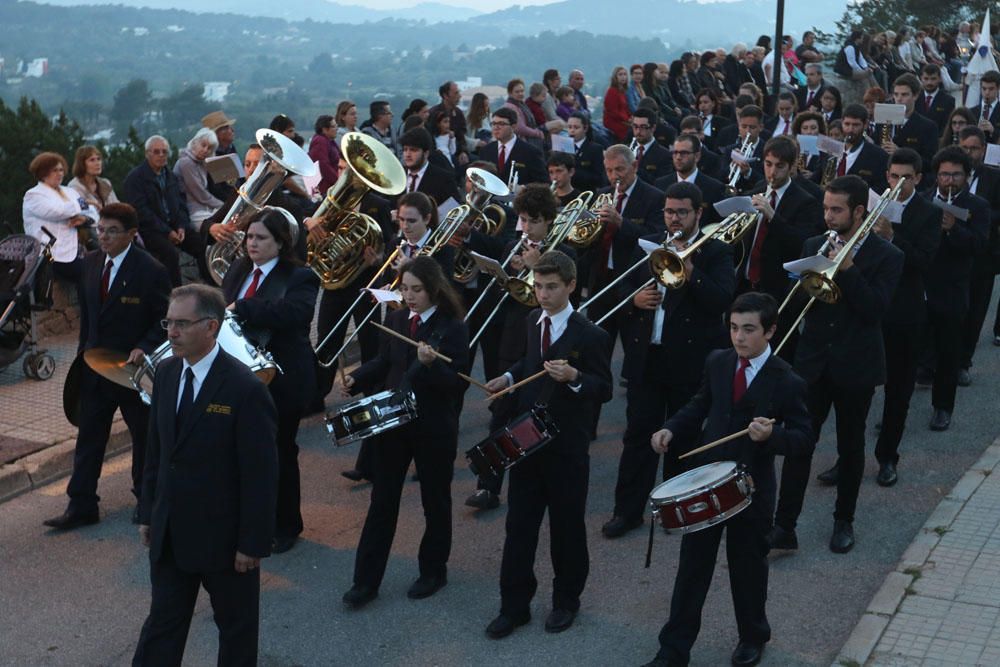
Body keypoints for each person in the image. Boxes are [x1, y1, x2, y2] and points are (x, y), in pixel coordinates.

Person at [643, 291, 813, 667]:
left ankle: (753, 636)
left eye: (749, 330)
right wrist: (670, 428)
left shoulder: (787, 380)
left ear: (770, 331)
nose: (739, 338)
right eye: (734, 328)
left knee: (748, 568)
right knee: (692, 570)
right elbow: (700, 403)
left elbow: (803, 439)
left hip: (751, 490)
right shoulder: (718, 362)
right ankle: (674, 650)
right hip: (705, 482)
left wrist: (773, 437)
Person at [133, 283, 278, 666]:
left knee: (236, 634)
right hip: (171, 535)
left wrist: (252, 542)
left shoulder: (245, 389)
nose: (171, 333)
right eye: (168, 322)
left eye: (182, 324)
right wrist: (148, 512)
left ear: (212, 327)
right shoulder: (164, 374)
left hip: (226, 543)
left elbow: (260, 474)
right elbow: (156, 452)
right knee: (161, 629)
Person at [771, 175, 904, 554]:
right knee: (799, 445)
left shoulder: (887, 255)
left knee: (850, 446)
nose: (827, 216)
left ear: (859, 211)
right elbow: (797, 305)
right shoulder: (814, 244)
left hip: (856, 364)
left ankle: (844, 521)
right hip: (812, 362)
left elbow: (875, 309)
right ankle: (784, 526)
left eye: (836, 209)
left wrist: (848, 270)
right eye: (825, 207)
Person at [483, 250, 612, 638]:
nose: (542, 294)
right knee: (519, 527)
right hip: (526, 442)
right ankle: (514, 605)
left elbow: (603, 389)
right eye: (538, 286)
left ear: (571, 286)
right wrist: (507, 378)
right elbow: (527, 364)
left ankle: (565, 601)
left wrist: (574, 376)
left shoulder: (591, 334)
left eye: (551, 287)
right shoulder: (529, 320)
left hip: (566, 449)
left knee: (566, 529)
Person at [604, 182, 735, 539]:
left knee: (682, 438)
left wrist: (691, 272)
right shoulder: (649, 246)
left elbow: (722, 299)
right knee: (638, 438)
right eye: (668, 211)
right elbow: (619, 288)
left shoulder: (716, 252)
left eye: (681, 212)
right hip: (648, 357)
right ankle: (627, 511)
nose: (674, 218)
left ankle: (677, 509)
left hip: (689, 360)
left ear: (698, 213)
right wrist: (634, 301)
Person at [336, 257, 469, 608]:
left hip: (433, 426)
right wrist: (357, 377)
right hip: (394, 422)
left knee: (434, 500)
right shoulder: (395, 319)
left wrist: (429, 366)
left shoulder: (452, 327)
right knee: (382, 501)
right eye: (404, 288)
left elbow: (455, 384)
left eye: (417, 290)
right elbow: (385, 362)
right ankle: (365, 582)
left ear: (434, 289)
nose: (409, 296)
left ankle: (433, 571)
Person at [43, 202, 170, 531]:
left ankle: (146, 501)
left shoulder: (151, 270)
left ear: (131, 234)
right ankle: (81, 504)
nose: (104, 236)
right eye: (100, 229)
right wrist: (83, 354)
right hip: (94, 368)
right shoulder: (91, 261)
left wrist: (143, 347)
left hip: (131, 371)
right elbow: (88, 315)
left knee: (144, 438)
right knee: (89, 436)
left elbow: (165, 320)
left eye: (112, 231)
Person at [466, 185, 575, 511]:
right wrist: (503, 272)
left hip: (549, 340)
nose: (526, 227)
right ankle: (488, 486)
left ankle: (545, 483)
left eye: (533, 221)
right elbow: (505, 292)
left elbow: (569, 290)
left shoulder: (564, 251)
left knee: (542, 413)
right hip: (513, 337)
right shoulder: (514, 244)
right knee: (501, 411)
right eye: (523, 220)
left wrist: (537, 263)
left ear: (548, 221)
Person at [221, 209, 318, 554]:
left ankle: (286, 524)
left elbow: (295, 314)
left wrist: (245, 307)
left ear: (280, 242)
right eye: (249, 237)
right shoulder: (238, 269)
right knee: (241, 452)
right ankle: (249, 520)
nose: (252, 244)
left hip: (283, 378)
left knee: (280, 452)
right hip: (242, 376)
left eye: (261, 238)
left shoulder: (300, 276)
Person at [866, 149, 941, 487]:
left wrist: (892, 237)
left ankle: (887, 458)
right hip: (871, 306)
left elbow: (924, 262)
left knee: (898, 391)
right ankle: (848, 459)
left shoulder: (929, 212)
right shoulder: (874, 202)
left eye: (906, 177)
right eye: (894, 176)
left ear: (919, 178)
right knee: (858, 389)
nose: (898, 183)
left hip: (906, 311)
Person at [923, 147, 990, 431]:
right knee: (909, 352)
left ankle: (942, 407)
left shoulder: (977, 206)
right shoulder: (924, 200)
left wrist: (953, 228)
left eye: (956, 175)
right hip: (920, 288)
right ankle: (895, 411)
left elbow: (979, 246)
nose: (949, 181)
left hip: (952, 289)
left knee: (949, 354)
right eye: (944, 175)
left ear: (966, 176)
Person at [582, 144, 665, 346]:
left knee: (632, 345)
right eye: (609, 170)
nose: (614, 176)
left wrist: (620, 223)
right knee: (595, 347)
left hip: (631, 281)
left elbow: (654, 238)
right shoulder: (602, 194)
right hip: (601, 280)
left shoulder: (653, 197)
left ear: (634, 166)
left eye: (619, 169)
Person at [123, 135, 211, 286]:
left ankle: (209, 287)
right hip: (149, 230)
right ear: (147, 154)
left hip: (174, 227)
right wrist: (167, 232)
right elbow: (142, 212)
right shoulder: (135, 178)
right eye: (156, 152)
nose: (161, 155)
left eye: (164, 152)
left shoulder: (171, 177)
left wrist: (181, 226)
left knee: (202, 245)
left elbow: (181, 204)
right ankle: (175, 295)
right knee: (170, 254)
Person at [957, 127, 1000, 385]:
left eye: (974, 148)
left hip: (983, 254)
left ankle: (963, 362)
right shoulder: (950, 173)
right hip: (951, 251)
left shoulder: (994, 177)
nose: (969, 153)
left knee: (975, 312)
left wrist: (976, 214)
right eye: (965, 148)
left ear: (984, 150)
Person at [22, 151, 94, 287]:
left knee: (99, 273)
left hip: (75, 250)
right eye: (55, 170)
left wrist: (84, 219)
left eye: (61, 170)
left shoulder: (70, 191)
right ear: (42, 173)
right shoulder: (33, 195)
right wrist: (82, 204)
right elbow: (57, 211)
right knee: (89, 276)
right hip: (50, 255)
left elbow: (93, 213)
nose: (60, 173)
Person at [653, 134, 725, 225]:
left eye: (684, 153)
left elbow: (716, 224)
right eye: (675, 153)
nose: (678, 157)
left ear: (697, 156)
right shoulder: (660, 184)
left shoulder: (715, 188)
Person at [478, 107, 547, 185]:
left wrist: (524, 188)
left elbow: (543, 182)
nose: (496, 127)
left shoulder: (531, 152)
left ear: (513, 127)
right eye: (493, 123)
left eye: (501, 124)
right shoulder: (485, 151)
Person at [173, 128, 224, 228]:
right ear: (195, 143)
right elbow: (200, 194)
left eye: (209, 148)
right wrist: (223, 206)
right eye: (203, 145)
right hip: (191, 211)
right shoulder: (186, 162)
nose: (205, 150)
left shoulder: (200, 163)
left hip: (203, 209)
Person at [399, 127, 460, 206]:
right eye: (405, 149)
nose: (407, 154)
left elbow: (454, 208)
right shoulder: (398, 175)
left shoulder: (444, 179)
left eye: (413, 150)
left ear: (426, 153)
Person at [68, 146, 120, 222]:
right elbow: (81, 212)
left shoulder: (105, 183)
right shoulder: (74, 187)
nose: (97, 163)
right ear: (82, 164)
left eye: (99, 159)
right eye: (92, 160)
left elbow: (117, 207)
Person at [427, 81, 470, 166]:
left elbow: (461, 136)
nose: (459, 96)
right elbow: (429, 136)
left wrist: (463, 152)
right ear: (445, 96)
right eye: (456, 93)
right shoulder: (434, 113)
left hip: (456, 151)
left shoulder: (458, 113)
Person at [201, 111, 238, 200]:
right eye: (226, 128)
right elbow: (218, 190)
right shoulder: (213, 156)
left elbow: (239, 177)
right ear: (216, 134)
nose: (232, 130)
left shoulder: (231, 148)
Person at [631, 107, 673, 185]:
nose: (638, 131)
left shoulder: (665, 156)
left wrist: (633, 169)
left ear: (653, 128)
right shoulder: (626, 150)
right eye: (635, 126)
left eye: (643, 127)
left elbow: (662, 184)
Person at [567, 112, 607, 192]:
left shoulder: (595, 149)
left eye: (576, 127)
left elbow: (599, 178)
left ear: (585, 128)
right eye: (569, 127)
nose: (572, 131)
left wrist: (573, 173)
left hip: (584, 192)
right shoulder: (563, 147)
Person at [914, 64, 956, 133]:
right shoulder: (915, 98)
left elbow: (947, 126)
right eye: (926, 79)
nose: (929, 82)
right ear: (921, 78)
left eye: (933, 79)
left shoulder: (948, 101)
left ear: (940, 79)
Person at [308, 114, 341, 195]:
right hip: (324, 189)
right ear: (324, 129)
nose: (337, 129)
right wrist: (339, 182)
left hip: (331, 186)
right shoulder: (320, 141)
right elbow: (323, 165)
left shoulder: (329, 141)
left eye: (336, 126)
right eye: (333, 127)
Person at [604, 66, 631, 142]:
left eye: (625, 74)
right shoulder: (612, 91)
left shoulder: (622, 91)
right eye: (620, 74)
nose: (623, 77)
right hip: (613, 122)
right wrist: (627, 120)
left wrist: (631, 117)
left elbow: (625, 108)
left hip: (622, 120)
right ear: (615, 77)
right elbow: (613, 112)